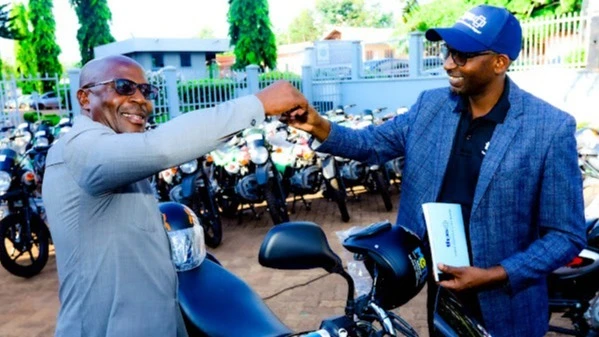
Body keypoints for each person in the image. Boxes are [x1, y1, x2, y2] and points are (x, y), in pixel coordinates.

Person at [281, 5, 586, 337]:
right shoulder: (431, 106)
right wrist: (317, 124)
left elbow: (565, 236)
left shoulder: (549, 129)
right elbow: (371, 143)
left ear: (500, 62)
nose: (447, 63)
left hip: (508, 307)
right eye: (447, 51)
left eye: (462, 55)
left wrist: (496, 273)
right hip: (441, 293)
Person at [41, 55, 308, 337]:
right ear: (85, 98)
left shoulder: (114, 151)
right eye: (124, 87)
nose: (141, 100)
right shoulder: (78, 149)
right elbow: (160, 147)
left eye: (146, 91)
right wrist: (257, 104)